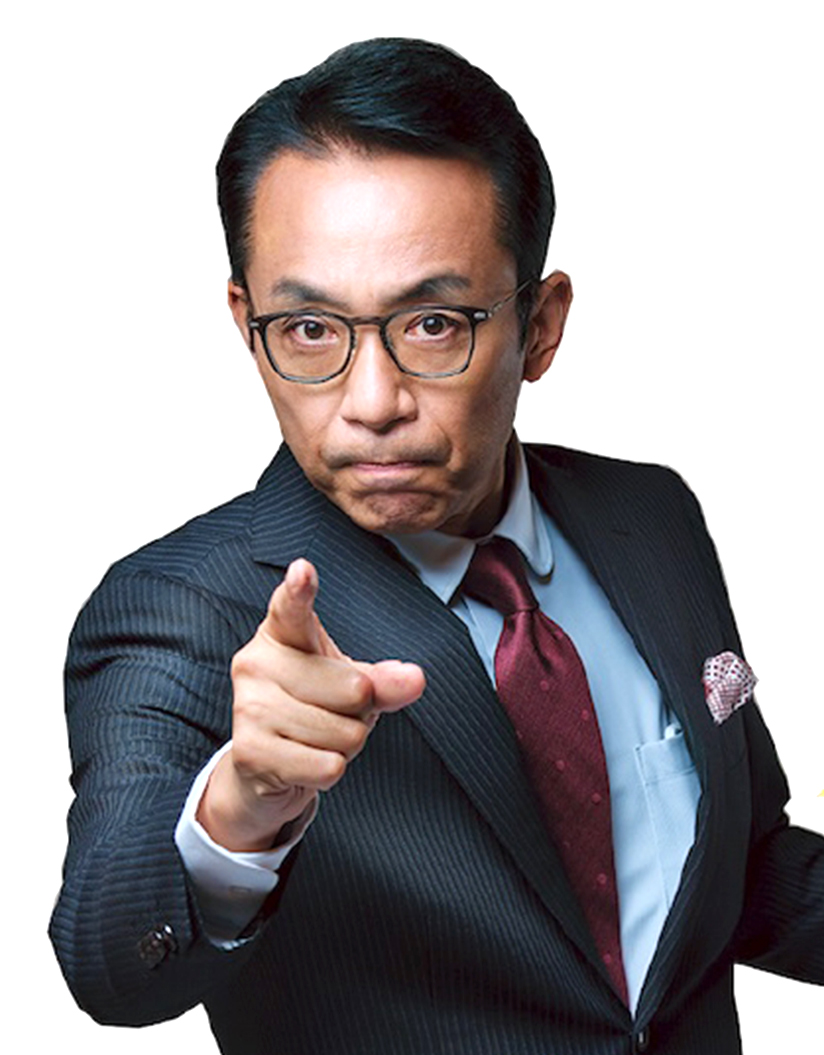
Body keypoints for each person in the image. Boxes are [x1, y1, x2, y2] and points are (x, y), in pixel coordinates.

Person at [50, 37, 823, 1054]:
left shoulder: (652, 518)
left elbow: (738, 866)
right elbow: (110, 961)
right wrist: (241, 805)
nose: (372, 403)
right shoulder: (175, 608)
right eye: (310, 329)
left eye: (432, 323)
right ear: (248, 325)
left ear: (539, 326)